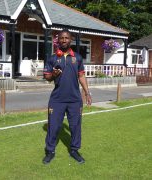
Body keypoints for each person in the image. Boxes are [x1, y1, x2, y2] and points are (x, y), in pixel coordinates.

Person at [43, 29, 92, 164]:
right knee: (53, 126)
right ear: (58, 40)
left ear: (71, 40)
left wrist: (87, 93)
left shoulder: (78, 57)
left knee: (75, 126)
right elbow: (47, 77)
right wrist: (53, 75)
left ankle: (74, 150)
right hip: (57, 99)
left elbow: (81, 76)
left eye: (67, 38)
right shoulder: (52, 58)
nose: (64, 40)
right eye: (61, 38)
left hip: (75, 99)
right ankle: (50, 151)